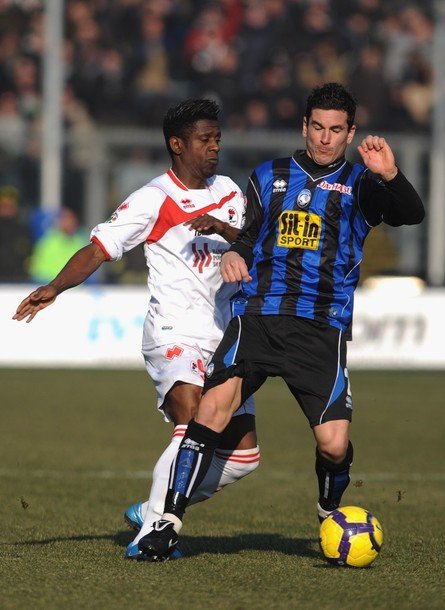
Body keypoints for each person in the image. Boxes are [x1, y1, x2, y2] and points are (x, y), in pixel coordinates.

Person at [137, 82, 425, 562]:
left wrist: (391, 174)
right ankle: (165, 522)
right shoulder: (268, 175)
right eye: (318, 127)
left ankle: (328, 511)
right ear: (304, 126)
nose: (326, 138)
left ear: (350, 133)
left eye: (336, 130)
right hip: (258, 317)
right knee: (210, 413)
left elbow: (412, 214)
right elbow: (250, 235)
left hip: (320, 327)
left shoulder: (362, 183)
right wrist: (235, 252)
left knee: (334, 446)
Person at [13, 98, 259, 559]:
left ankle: (153, 508)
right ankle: (154, 535)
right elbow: (98, 248)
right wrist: (55, 287)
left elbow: (256, 242)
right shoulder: (153, 198)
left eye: (218, 139)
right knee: (192, 425)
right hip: (174, 331)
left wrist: (225, 232)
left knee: (244, 458)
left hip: (226, 335)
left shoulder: (229, 189)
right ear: (177, 144)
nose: (215, 147)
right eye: (205, 140)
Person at [0, 185, 32, 282]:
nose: (7, 209)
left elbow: (27, 256)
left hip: (18, 281)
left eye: (11, 206)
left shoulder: (23, 230)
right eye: (4, 206)